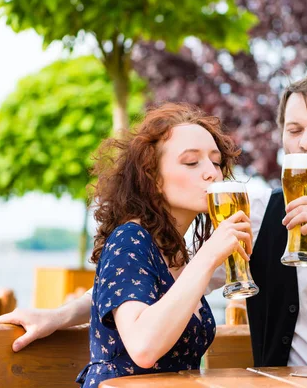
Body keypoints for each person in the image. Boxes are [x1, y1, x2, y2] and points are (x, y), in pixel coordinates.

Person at [0, 74, 307, 368]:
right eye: (294, 130)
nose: (305, 143)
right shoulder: (254, 217)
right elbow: (157, 286)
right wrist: (61, 313)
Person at [48, 103, 252, 386]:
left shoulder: (173, 251)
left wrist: (59, 315)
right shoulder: (130, 239)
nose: (212, 174)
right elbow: (143, 347)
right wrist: (209, 256)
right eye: (192, 162)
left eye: (216, 162)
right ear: (152, 178)